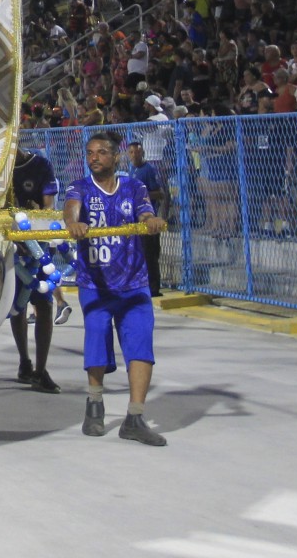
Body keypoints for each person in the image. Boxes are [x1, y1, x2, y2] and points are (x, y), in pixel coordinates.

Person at [65, 130, 170, 446]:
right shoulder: (79, 187)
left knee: (141, 344)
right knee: (97, 334)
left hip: (134, 283)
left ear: (115, 157)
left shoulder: (134, 186)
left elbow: (145, 210)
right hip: (95, 283)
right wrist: (73, 224)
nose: (93, 157)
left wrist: (150, 219)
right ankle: (94, 404)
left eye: (100, 152)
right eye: (89, 152)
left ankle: (135, 417)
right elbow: (70, 208)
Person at [7, 142, 61, 392]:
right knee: (17, 306)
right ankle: (24, 362)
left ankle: (41, 369)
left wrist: (37, 227)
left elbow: (48, 207)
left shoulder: (41, 165)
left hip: (38, 245)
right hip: (13, 247)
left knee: (44, 304)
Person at [125, 139, 168, 296]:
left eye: (137, 152)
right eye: (131, 152)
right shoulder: (132, 170)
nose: (134, 155)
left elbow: (159, 193)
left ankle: (154, 288)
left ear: (142, 153)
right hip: (136, 221)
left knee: (150, 255)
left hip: (149, 220)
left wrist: (140, 195)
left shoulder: (148, 170)